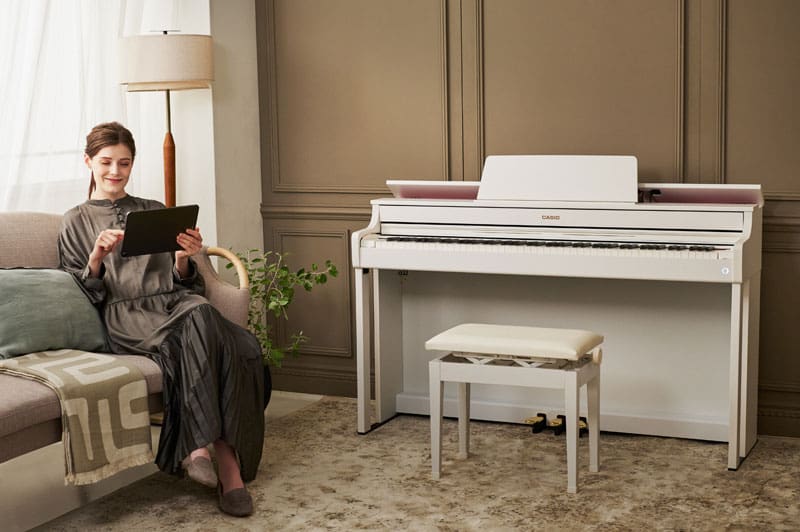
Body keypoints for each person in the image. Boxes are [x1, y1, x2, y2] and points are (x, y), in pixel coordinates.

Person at [58, 121, 264, 517]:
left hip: (175, 303)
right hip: (128, 316)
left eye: (124, 163)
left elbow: (184, 281)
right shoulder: (75, 221)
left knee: (213, 320)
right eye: (106, 162)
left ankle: (201, 447)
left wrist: (184, 257)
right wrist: (96, 259)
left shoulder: (153, 210)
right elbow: (83, 293)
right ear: (88, 161)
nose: (115, 172)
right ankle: (228, 465)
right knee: (232, 339)